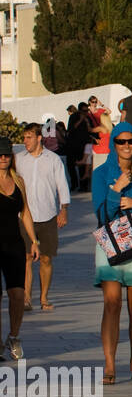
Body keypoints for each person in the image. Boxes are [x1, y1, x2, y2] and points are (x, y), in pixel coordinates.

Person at [91, 122, 132, 384]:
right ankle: (109, 365)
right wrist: (116, 189)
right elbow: (100, 213)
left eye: (131, 141)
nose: (127, 146)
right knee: (111, 304)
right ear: (113, 144)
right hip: (110, 243)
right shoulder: (101, 173)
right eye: (121, 142)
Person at [16, 123, 70, 312]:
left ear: (39, 138)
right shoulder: (19, 160)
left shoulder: (53, 160)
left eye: (29, 137)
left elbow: (61, 185)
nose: (25, 141)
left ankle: (44, 298)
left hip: (47, 215)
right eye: (24, 137)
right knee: (27, 257)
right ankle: (26, 298)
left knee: (46, 258)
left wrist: (63, 209)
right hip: (24, 216)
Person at [0, 138, 40, 361]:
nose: (3, 158)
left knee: (17, 294)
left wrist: (34, 241)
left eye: (6, 154)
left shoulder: (19, 181)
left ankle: (13, 336)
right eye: (0, 155)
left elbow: (25, 213)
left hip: (14, 243)